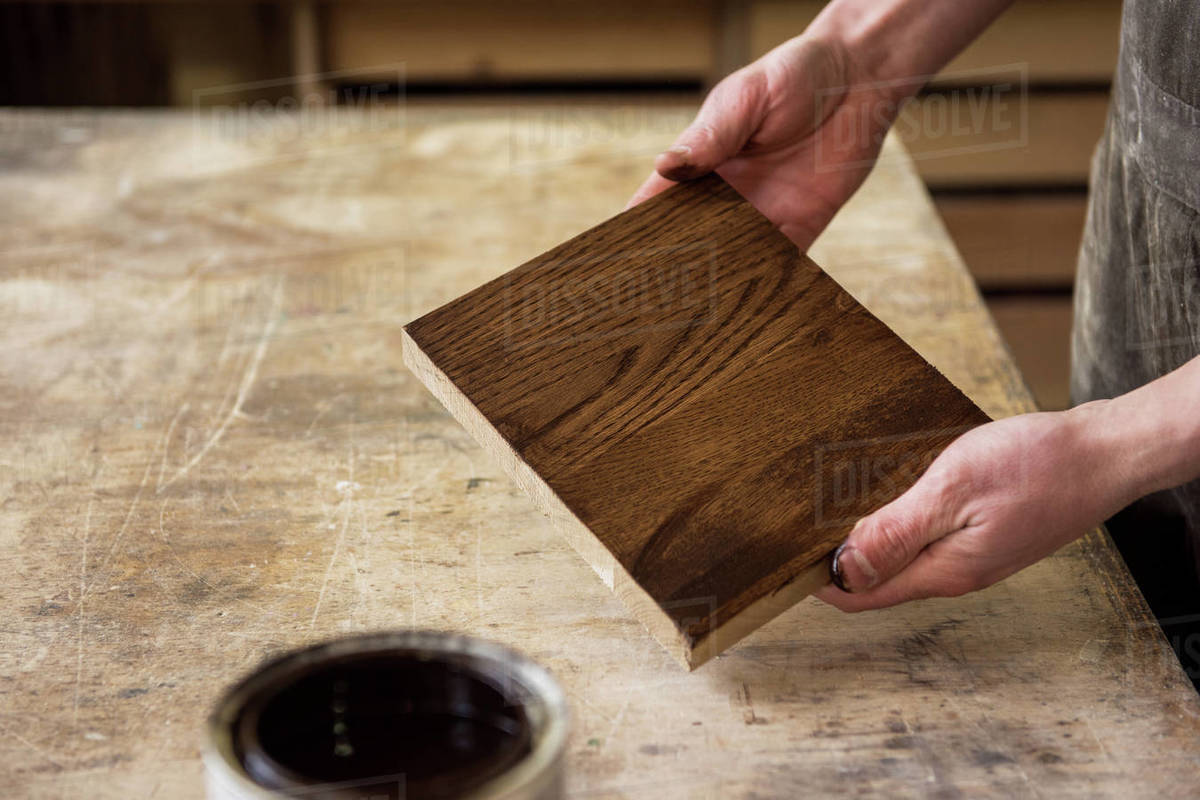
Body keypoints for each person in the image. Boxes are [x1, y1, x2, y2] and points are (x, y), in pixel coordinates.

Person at [628, 0, 1200, 674]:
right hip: (1161, 202)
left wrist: (1112, 446)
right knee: (1136, 634)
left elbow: (1104, 451)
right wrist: (857, 54)